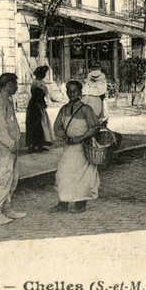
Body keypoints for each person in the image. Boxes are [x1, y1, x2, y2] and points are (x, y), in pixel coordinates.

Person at [53, 80, 102, 213]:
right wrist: (65, 136)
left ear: (80, 92)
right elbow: (57, 126)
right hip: (69, 147)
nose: (72, 94)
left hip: (83, 147)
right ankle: (63, 203)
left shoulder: (86, 109)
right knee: (63, 173)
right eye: (69, 91)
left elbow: (94, 127)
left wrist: (80, 138)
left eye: (75, 91)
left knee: (82, 176)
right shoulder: (64, 109)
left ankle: (81, 204)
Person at [0, 73, 27, 225]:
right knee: (2, 178)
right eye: (15, 84)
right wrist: (10, 143)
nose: (16, 87)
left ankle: (6, 207)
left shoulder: (6, 100)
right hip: (3, 147)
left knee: (11, 178)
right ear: (8, 84)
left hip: (10, 146)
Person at [25, 65, 54, 153]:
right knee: (36, 124)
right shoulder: (37, 83)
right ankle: (33, 145)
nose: (44, 75)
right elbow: (38, 95)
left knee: (40, 124)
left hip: (37, 104)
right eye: (43, 74)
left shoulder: (39, 82)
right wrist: (42, 103)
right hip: (36, 105)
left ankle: (39, 144)